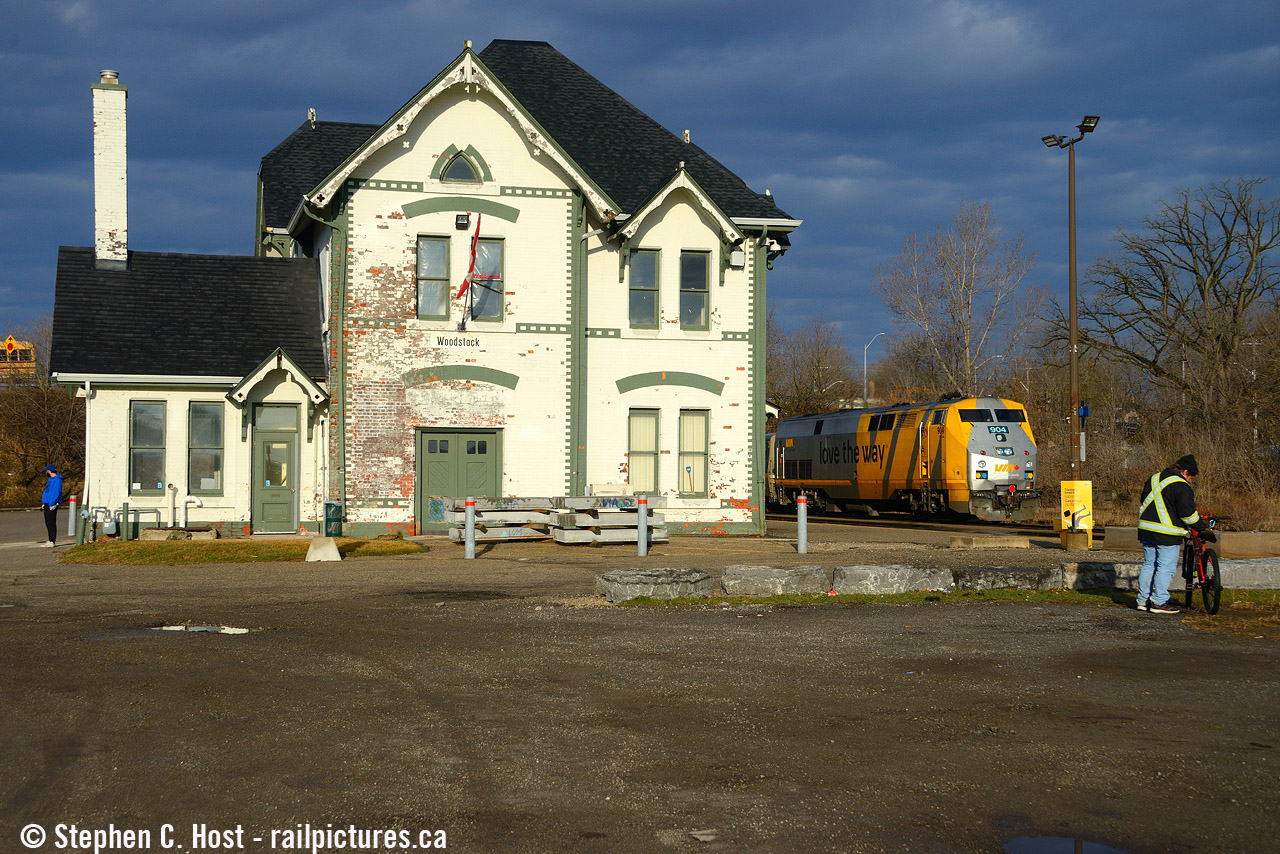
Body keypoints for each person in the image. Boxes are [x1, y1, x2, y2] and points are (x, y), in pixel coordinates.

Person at [1136, 454, 1214, 613]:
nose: (1191, 479)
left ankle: (1143, 601)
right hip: (1167, 533)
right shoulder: (1181, 485)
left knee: (1149, 565)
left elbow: (1144, 499)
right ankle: (1159, 602)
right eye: (1191, 475)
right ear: (1185, 471)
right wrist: (1201, 528)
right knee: (1166, 567)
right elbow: (1187, 514)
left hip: (1146, 530)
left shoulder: (1154, 478)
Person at [40, 464, 64, 548]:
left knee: (51, 522)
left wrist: (52, 503)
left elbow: (56, 493)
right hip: (47, 502)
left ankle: (52, 540)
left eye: (47, 470)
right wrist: (44, 502)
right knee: (48, 522)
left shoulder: (57, 480)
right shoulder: (51, 480)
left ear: (49, 471)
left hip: (52, 504)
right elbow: (47, 492)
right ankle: (50, 539)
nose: (46, 472)